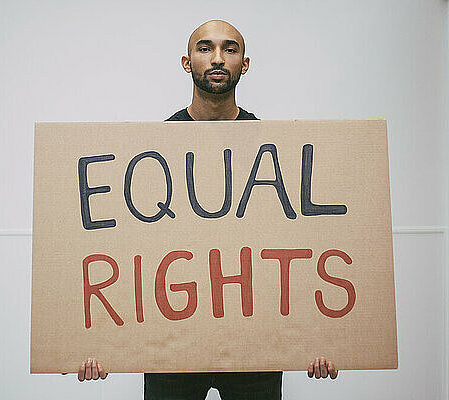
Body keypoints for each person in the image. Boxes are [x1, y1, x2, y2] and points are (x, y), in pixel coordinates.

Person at [75, 20, 339, 399]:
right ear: (187, 62)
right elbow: (128, 247)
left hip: (254, 348)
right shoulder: (153, 150)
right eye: (205, 48)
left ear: (244, 64)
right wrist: (97, 344)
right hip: (174, 346)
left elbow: (299, 246)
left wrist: (327, 340)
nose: (217, 58)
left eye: (230, 50)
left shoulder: (276, 149)